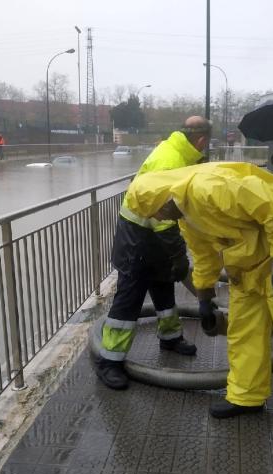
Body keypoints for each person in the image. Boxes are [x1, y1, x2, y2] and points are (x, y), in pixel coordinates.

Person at [122, 161, 273, 450]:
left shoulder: (211, 188)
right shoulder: (185, 215)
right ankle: (247, 395)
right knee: (244, 329)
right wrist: (204, 298)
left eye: (153, 211)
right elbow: (204, 255)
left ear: (162, 199)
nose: (156, 217)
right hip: (248, 262)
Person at [94, 116, 213, 390]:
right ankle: (109, 361)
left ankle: (170, 337)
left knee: (163, 283)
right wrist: (180, 255)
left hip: (153, 231)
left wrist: (174, 260)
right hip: (138, 234)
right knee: (130, 296)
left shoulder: (179, 152)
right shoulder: (171, 159)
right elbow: (163, 218)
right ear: (202, 140)